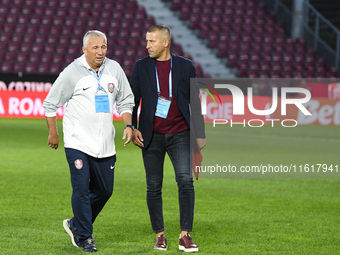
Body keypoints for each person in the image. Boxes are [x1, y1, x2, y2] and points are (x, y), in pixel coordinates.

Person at [43, 30, 134, 252]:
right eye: (95, 47)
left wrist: (129, 125)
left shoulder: (115, 69)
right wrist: (53, 133)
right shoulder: (72, 72)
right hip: (77, 144)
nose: (100, 52)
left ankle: (75, 223)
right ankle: (84, 237)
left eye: (103, 47)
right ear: (84, 50)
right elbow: (50, 104)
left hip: (105, 145)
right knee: (82, 189)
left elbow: (126, 100)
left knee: (105, 191)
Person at [130, 24, 206, 252]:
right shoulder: (141, 67)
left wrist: (199, 133)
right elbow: (132, 101)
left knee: (185, 180)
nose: (147, 46)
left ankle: (185, 235)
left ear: (165, 42)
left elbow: (195, 101)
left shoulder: (185, 66)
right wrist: (132, 127)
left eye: (152, 41)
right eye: (146, 41)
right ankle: (160, 235)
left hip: (181, 133)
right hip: (150, 135)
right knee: (153, 186)